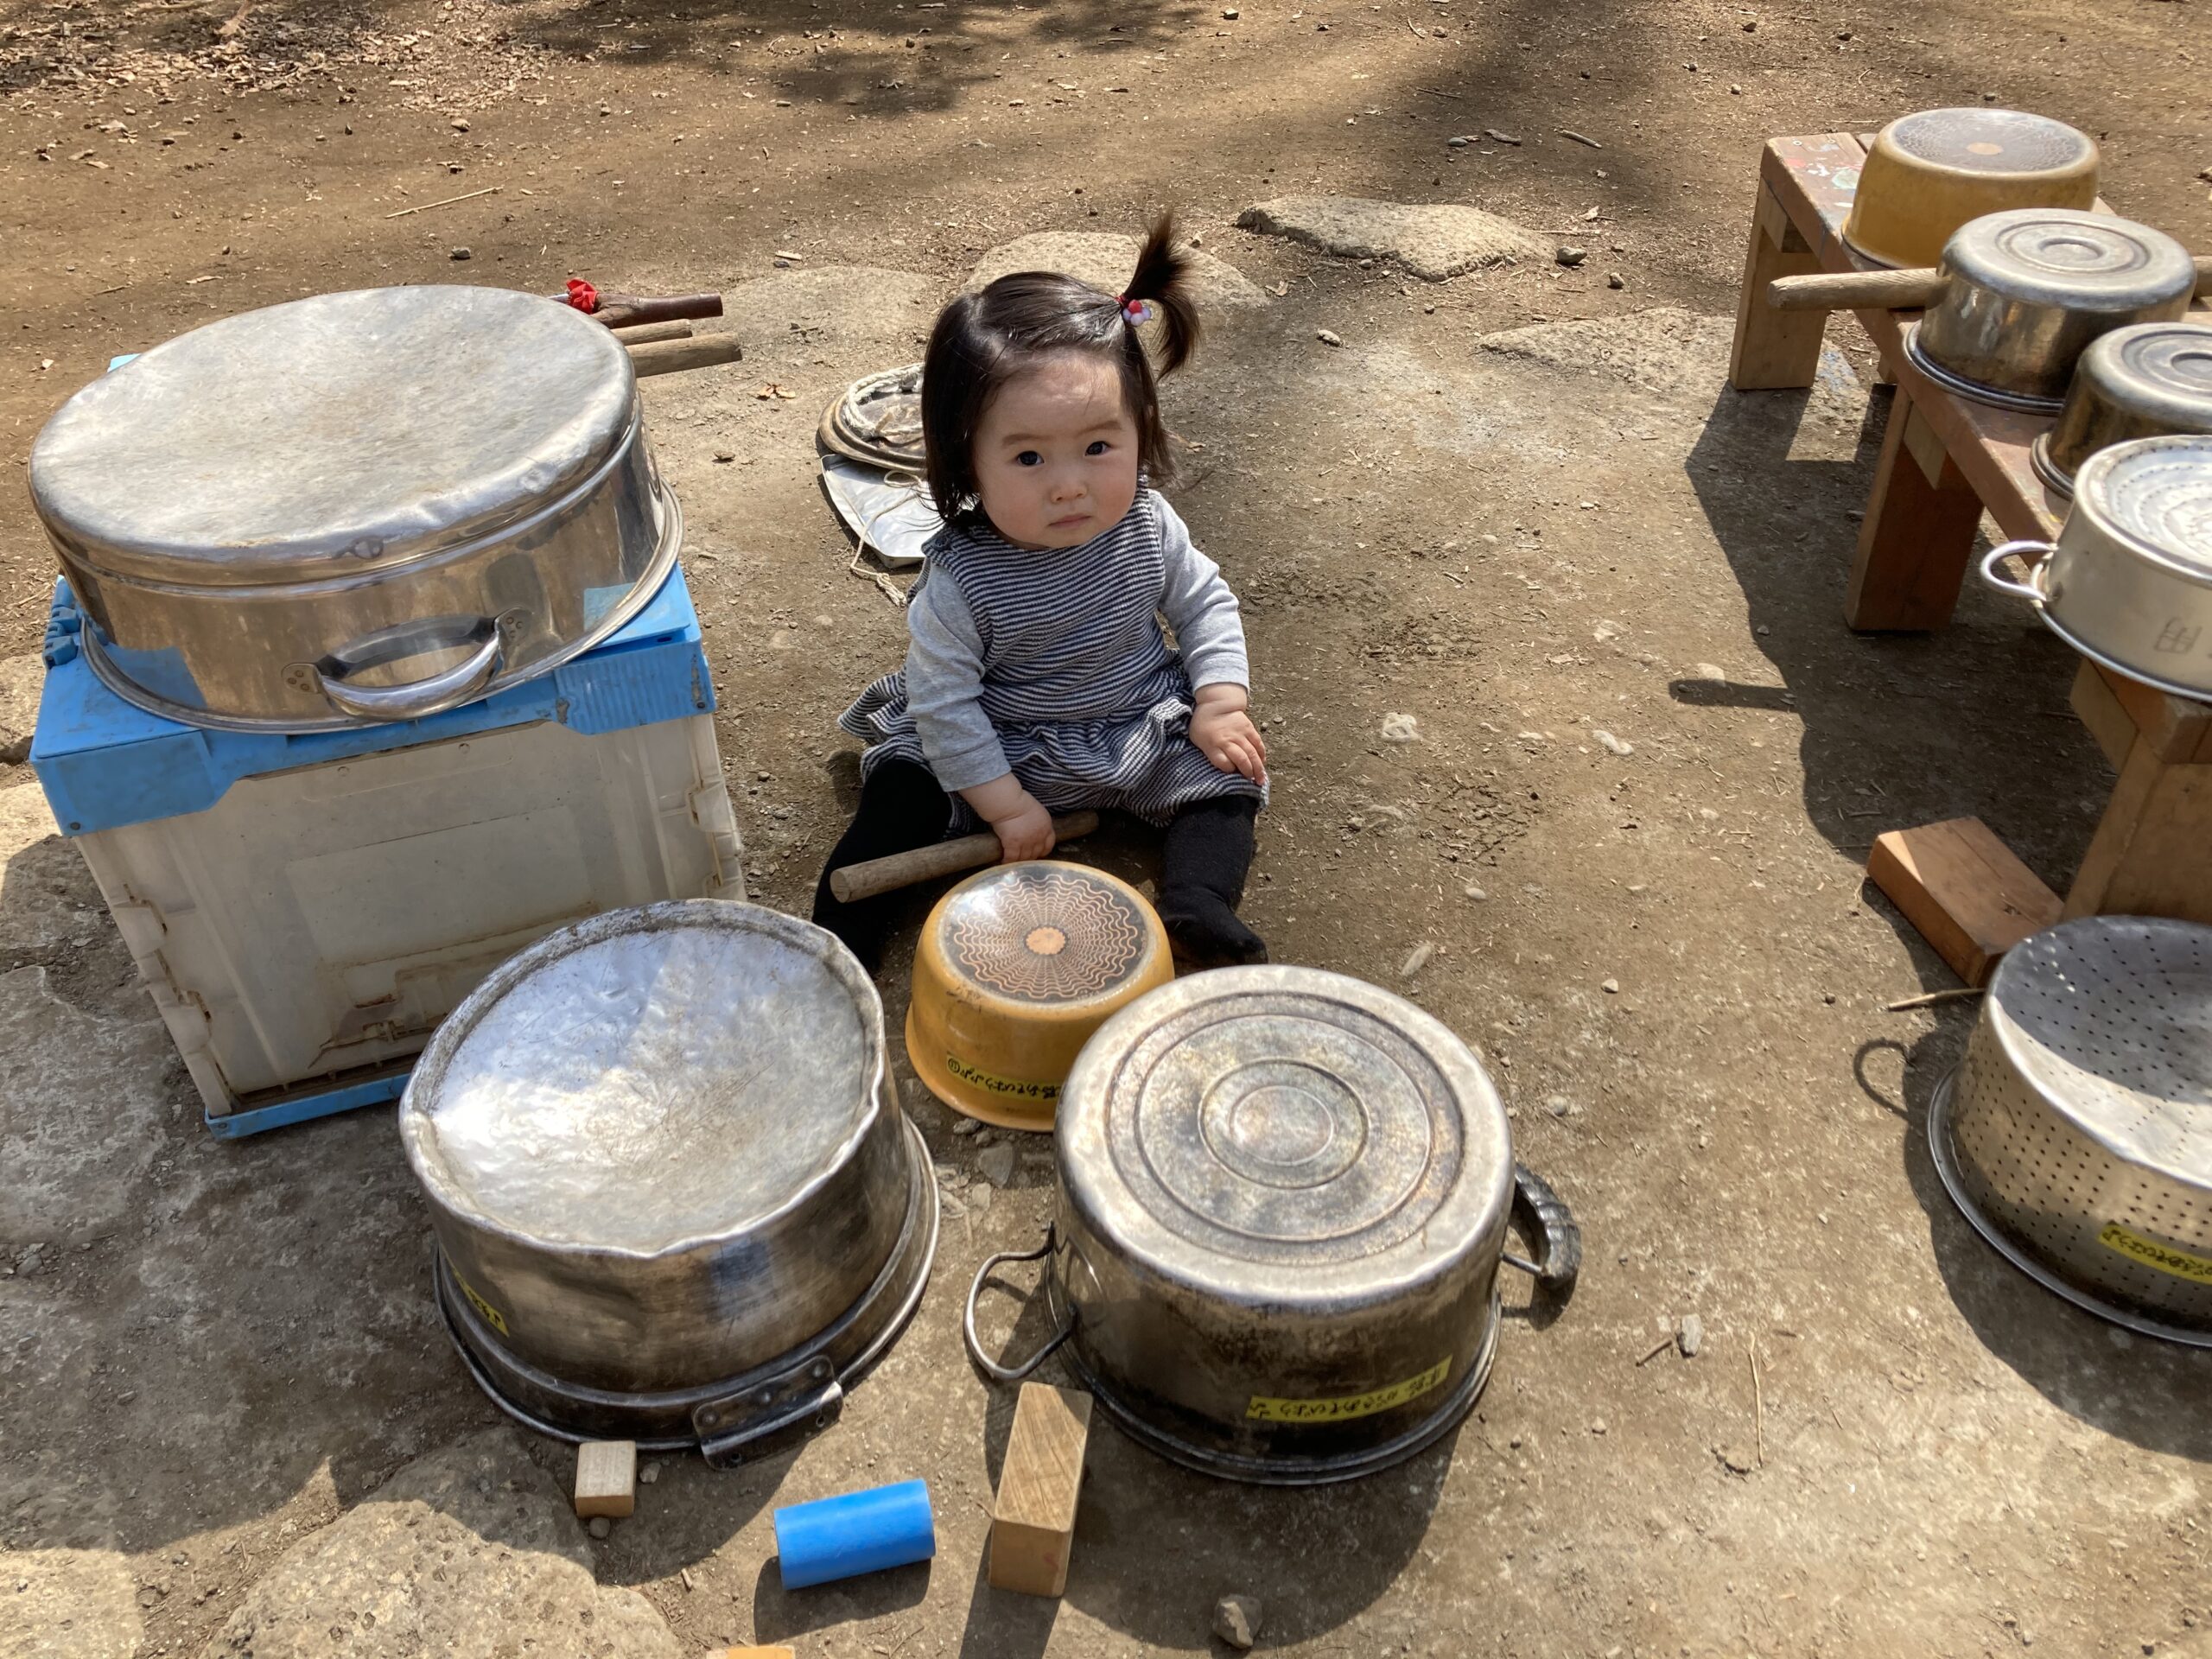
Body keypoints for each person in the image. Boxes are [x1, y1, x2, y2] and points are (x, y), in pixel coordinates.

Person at [813, 214, 1269, 973]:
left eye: (1098, 447)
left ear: (1140, 428)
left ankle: (1197, 903)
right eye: (1027, 456)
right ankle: (837, 938)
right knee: (900, 793)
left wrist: (1220, 702)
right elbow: (946, 705)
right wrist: (1005, 806)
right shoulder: (962, 578)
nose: (1069, 485)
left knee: (1231, 781)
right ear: (968, 461)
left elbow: (1204, 604)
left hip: (1133, 723)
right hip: (998, 740)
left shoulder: (1148, 522)